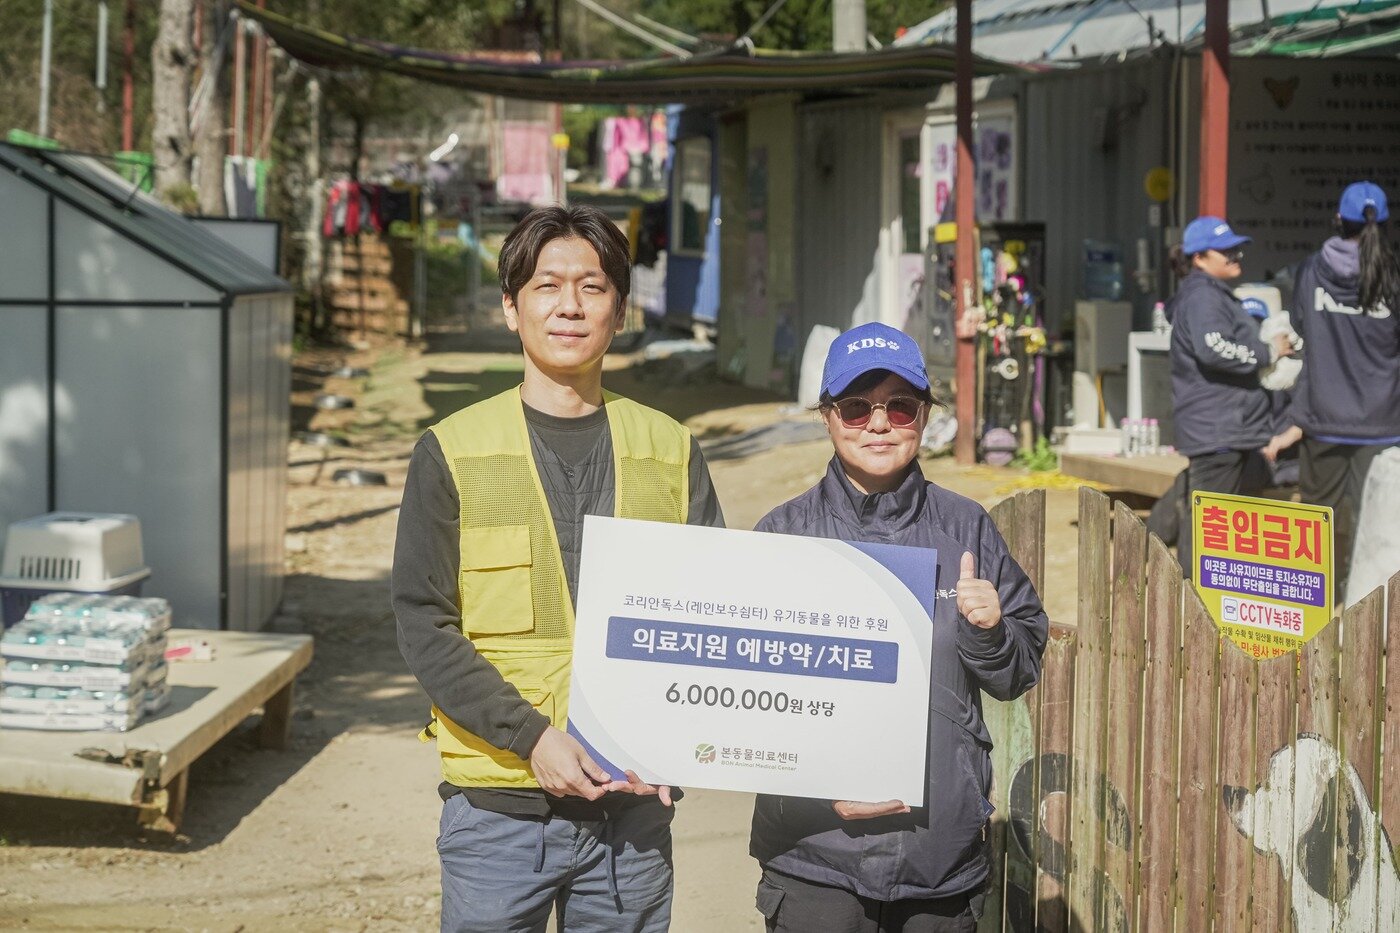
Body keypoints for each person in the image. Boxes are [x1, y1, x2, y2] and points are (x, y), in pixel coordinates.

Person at [392, 205, 725, 933]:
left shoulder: (670, 449)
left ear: (621, 309)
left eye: (592, 286)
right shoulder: (452, 450)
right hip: (499, 812)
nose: (569, 305)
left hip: (632, 821)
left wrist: (678, 746)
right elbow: (424, 623)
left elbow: (713, 616)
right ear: (512, 307)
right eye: (547, 286)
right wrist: (532, 737)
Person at [747, 322, 1048, 933]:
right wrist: (815, 789)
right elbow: (747, 703)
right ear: (827, 417)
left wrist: (989, 631)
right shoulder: (783, 535)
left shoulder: (968, 529)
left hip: (937, 854)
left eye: (899, 407)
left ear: (924, 417)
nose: (879, 424)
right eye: (857, 407)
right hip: (816, 857)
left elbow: (1020, 669)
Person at [1263, 181, 1400, 595]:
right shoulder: (1393, 276)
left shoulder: (1310, 271)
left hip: (1323, 419)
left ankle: (1321, 608)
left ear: (1339, 220)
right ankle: (1368, 615)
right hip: (1382, 424)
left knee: (1318, 523)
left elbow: (1302, 330)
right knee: (1374, 523)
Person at [1166, 216, 1294, 574]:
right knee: (1210, 529)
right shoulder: (1203, 297)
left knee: (1218, 521)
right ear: (1199, 258)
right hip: (1218, 432)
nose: (1236, 255)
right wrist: (1268, 352)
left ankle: (1207, 601)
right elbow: (1214, 348)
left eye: (1237, 248)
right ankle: (1193, 609)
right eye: (1226, 251)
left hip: (1230, 431)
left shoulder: (1212, 294)